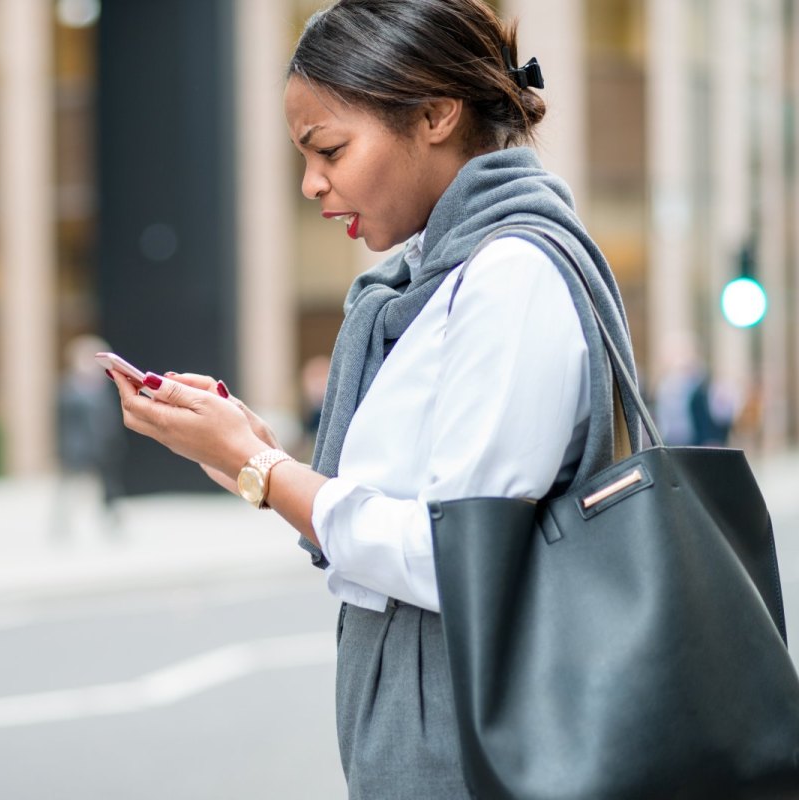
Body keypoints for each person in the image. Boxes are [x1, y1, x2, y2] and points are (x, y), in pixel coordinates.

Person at [109, 0, 639, 796]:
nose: (311, 182)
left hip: (480, 750)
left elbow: (456, 555)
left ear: (434, 114)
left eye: (330, 148)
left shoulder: (508, 277)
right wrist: (256, 455)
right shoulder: (438, 284)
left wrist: (259, 468)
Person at [55, 334, 126, 540]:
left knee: (109, 488)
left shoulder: (103, 388)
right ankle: (62, 525)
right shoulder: (69, 388)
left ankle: (113, 522)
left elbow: (110, 418)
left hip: (102, 447)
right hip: (77, 449)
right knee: (70, 488)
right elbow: (63, 423)